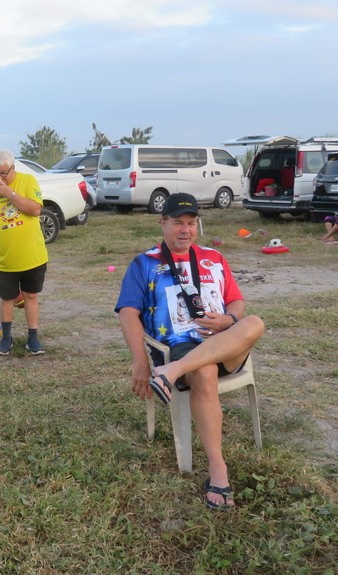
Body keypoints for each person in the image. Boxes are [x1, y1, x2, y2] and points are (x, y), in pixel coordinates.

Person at [115, 193, 265, 510]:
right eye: (178, 222)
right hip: (178, 346)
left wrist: (228, 320)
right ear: (163, 223)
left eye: (191, 223)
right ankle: (218, 469)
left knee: (254, 322)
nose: (186, 230)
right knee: (204, 371)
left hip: (224, 342)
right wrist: (140, 361)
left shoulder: (214, 257)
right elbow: (128, 313)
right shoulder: (145, 263)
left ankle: (170, 374)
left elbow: (236, 301)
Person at [0, 150, 49, 356]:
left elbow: (35, 210)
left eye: (3, 173)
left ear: (13, 168)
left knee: (31, 295)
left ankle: (33, 338)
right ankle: (6, 339)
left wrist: (11, 194)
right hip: (3, 258)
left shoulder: (28, 181)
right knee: (6, 298)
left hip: (32, 255)